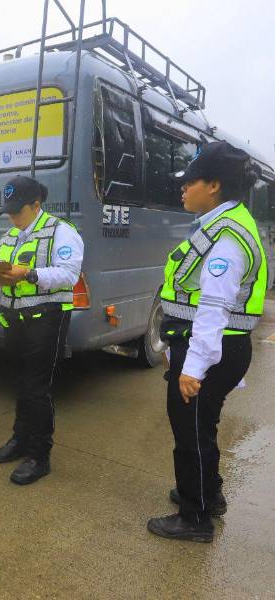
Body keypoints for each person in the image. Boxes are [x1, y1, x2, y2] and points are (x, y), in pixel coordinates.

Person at [147, 141, 267, 543]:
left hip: (213, 348)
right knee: (201, 426)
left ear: (214, 185)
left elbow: (214, 308)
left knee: (191, 433)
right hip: (216, 346)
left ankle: (194, 517)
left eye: (190, 182)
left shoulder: (227, 237)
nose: (183, 189)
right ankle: (207, 494)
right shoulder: (223, 223)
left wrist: (192, 368)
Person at [0, 175, 83, 485]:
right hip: (14, 319)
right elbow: (1, 275)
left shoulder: (62, 232)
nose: (13, 217)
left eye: (18, 210)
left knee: (37, 388)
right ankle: (20, 439)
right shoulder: (9, 236)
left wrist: (28, 274)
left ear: (36, 205)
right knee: (19, 382)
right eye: (9, 211)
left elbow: (69, 275)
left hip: (46, 319)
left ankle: (39, 456)